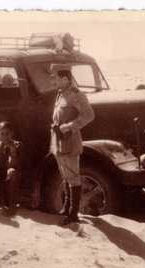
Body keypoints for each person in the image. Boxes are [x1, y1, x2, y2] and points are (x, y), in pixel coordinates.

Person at [50, 64, 94, 226]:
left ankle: (73, 214)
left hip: (70, 141)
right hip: (59, 142)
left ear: (65, 79)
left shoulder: (76, 95)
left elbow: (89, 115)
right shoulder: (60, 94)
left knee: (73, 177)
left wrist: (69, 127)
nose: (52, 80)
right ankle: (67, 206)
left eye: (54, 77)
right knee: (65, 176)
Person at [0, 121, 21, 216]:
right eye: (2, 134)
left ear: (11, 134)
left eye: (7, 133)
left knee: (12, 172)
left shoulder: (17, 146)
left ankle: (12, 204)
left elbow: (16, 166)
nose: (5, 136)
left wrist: (13, 152)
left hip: (13, 180)